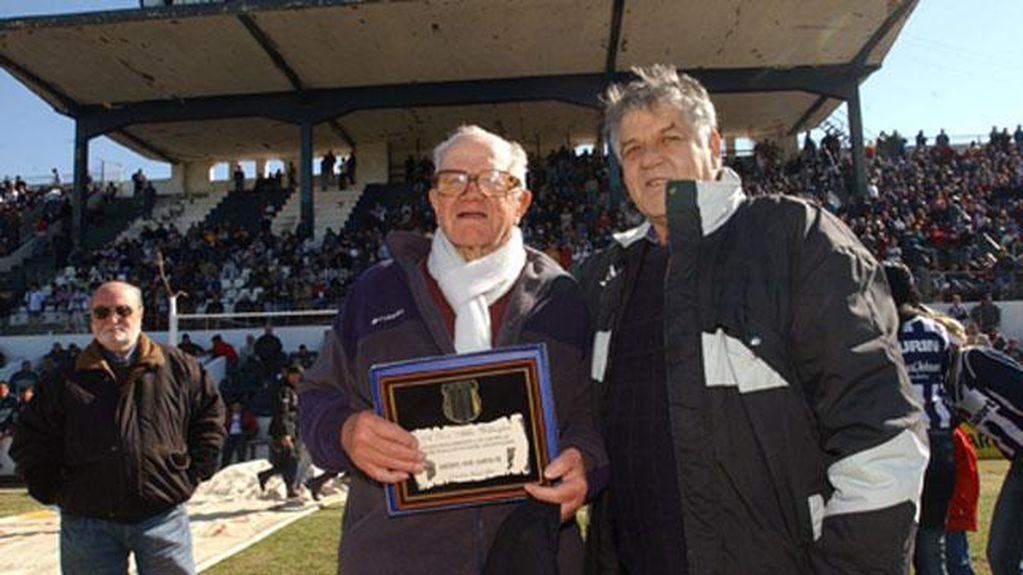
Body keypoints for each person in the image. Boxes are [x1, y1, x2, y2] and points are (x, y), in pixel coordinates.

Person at [577, 65, 927, 574]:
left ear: (715, 146)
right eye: (631, 149)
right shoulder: (602, 275)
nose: (649, 157)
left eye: (668, 137)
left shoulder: (794, 239)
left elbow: (880, 435)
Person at [297, 125, 606, 574]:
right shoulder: (376, 292)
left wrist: (587, 465)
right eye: (453, 180)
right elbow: (315, 398)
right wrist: (344, 432)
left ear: (521, 201)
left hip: (532, 557)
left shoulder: (562, 299)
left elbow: (593, 419)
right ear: (434, 200)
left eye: (491, 179)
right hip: (393, 559)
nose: (470, 193)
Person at [10, 281, 226, 575]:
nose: (113, 320)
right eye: (102, 312)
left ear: (140, 313)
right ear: (91, 320)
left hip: (162, 516)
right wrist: (56, 491)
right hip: (87, 523)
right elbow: (31, 439)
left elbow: (210, 422)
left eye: (122, 310)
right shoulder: (61, 379)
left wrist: (190, 475)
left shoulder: (180, 368)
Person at [885, 262, 957, 575]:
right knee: (932, 539)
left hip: (901, 438)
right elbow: (951, 382)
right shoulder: (938, 330)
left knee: (893, 539)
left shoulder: (882, 329)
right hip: (940, 438)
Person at [949, 345, 1023, 575]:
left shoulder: (973, 360)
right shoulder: (945, 391)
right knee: (1001, 555)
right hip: (1019, 461)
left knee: (1003, 554)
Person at [257, 365, 301, 499]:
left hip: (293, 429)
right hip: (282, 429)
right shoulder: (284, 390)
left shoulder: (294, 390)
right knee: (292, 459)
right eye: (295, 376)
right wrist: (285, 433)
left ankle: (265, 475)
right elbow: (282, 413)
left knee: (286, 461)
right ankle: (290, 489)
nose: (297, 379)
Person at [221, 399, 258, 469]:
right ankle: (224, 467)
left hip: (241, 435)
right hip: (229, 435)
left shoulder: (247, 415)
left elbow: (254, 426)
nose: (236, 408)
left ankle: (241, 467)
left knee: (241, 451)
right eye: (235, 406)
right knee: (226, 451)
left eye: (238, 406)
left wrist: (249, 433)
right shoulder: (227, 415)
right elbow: (222, 425)